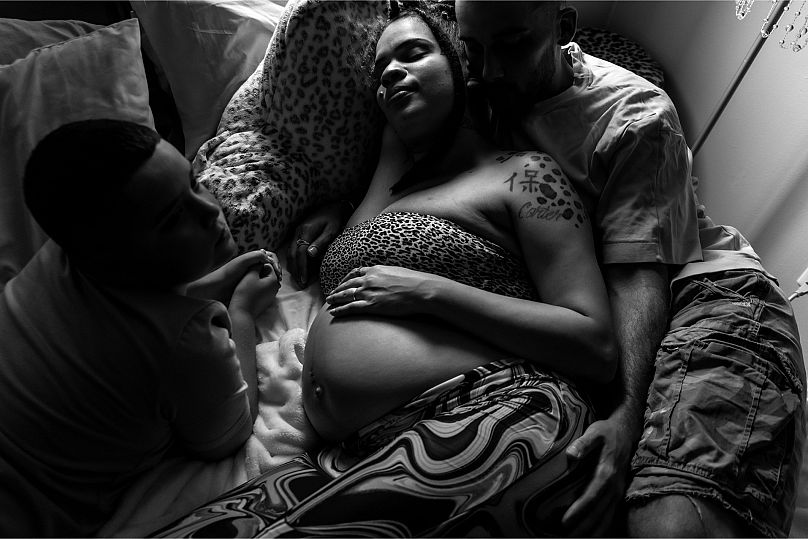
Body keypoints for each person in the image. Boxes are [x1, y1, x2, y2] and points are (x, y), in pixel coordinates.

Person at [156, 5, 616, 536]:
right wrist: (338, 208)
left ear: (462, 66)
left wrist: (430, 292)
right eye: (380, 71)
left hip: (498, 404)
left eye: (414, 53)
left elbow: (595, 343)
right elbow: (386, 187)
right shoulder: (385, 183)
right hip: (355, 446)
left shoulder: (524, 176)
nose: (391, 73)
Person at [454, 1, 806, 537]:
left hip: (709, 295)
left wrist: (624, 416)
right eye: (473, 48)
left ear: (563, 28)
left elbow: (639, 279)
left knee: (667, 526)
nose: (490, 70)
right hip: (614, 309)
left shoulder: (634, 117)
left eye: (512, 45)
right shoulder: (479, 92)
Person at [0, 119, 282, 537]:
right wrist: (241, 309)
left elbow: (129, 304)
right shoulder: (187, 342)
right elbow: (231, 433)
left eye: (193, 183)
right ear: (112, 254)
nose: (210, 210)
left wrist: (215, 282)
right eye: (171, 219)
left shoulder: (62, 252)